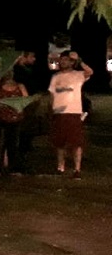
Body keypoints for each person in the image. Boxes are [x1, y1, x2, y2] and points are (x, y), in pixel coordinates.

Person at [48, 50, 93, 179]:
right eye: (62, 60)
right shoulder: (56, 77)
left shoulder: (78, 75)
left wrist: (80, 60)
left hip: (73, 112)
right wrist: (51, 110)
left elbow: (90, 72)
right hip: (59, 113)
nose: (63, 62)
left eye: (66, 60)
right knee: (60, 142)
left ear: (72, 62)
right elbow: (52, 95)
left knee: (76, 142)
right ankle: (60, 167)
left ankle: (77, 169)